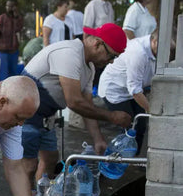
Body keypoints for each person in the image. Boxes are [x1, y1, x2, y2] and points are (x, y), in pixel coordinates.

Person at [20, 23, 132, 182]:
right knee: (29, 165)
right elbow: (74, 102)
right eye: (112, 55)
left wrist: (98, 139)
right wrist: (111, 116)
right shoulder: (70, 53)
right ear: (98, 44)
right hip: (25, 112)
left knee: (50, 160)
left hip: (45, 116)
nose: (111, 61)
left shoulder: (90, 67)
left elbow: (87, 106)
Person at [99, 30, 158, 153]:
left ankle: (132, 159)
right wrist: (153, 111)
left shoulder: (155, 49)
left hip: (131, 90)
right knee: (127, 125)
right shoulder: (138, 52)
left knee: (140, 125)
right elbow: (135, 89)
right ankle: (114, 161)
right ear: (154, 41)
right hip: (115, 89)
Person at [0, 0, 24, 81]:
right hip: (3, 50)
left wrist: (16, 16)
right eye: (7, 6)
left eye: (11, 6)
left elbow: (18, 28)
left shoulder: (18, 18)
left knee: (13, 73)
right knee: (4, 74)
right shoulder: (2, 18)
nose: (8, 8)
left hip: (14, 50)